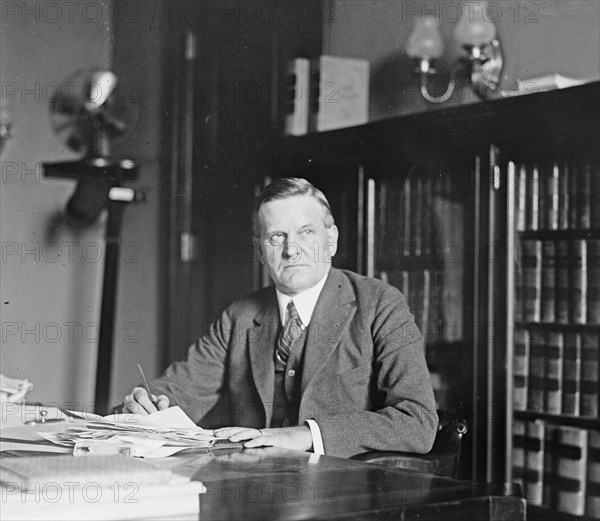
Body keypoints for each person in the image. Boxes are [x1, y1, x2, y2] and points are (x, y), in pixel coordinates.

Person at [121, 178, 438, 458]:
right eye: (276, 237)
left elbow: (418, 420)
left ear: (332, 240)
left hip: (343, 498)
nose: (291, 250)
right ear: (260, 251)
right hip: (254, 496)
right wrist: (146, 406)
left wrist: (306, 435)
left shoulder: (379, 304)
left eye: (306, 232)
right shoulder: (240, 316)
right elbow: (179, 390)